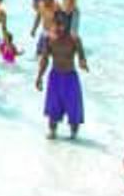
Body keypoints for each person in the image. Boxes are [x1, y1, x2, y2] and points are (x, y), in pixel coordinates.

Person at [35, 9, 89, 139]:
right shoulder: (49, 38)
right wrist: (39, 76)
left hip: (70, 77)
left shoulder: (74, 39)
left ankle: (74, 137)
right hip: (55, 77)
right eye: (57, 23)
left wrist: (83, 63)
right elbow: (45, 59)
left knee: (74, 112)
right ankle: (53, 136)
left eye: (62, 23)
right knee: (53, 112)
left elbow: (82, 57)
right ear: (53, 22)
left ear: (67, 24)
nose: (59, 26)